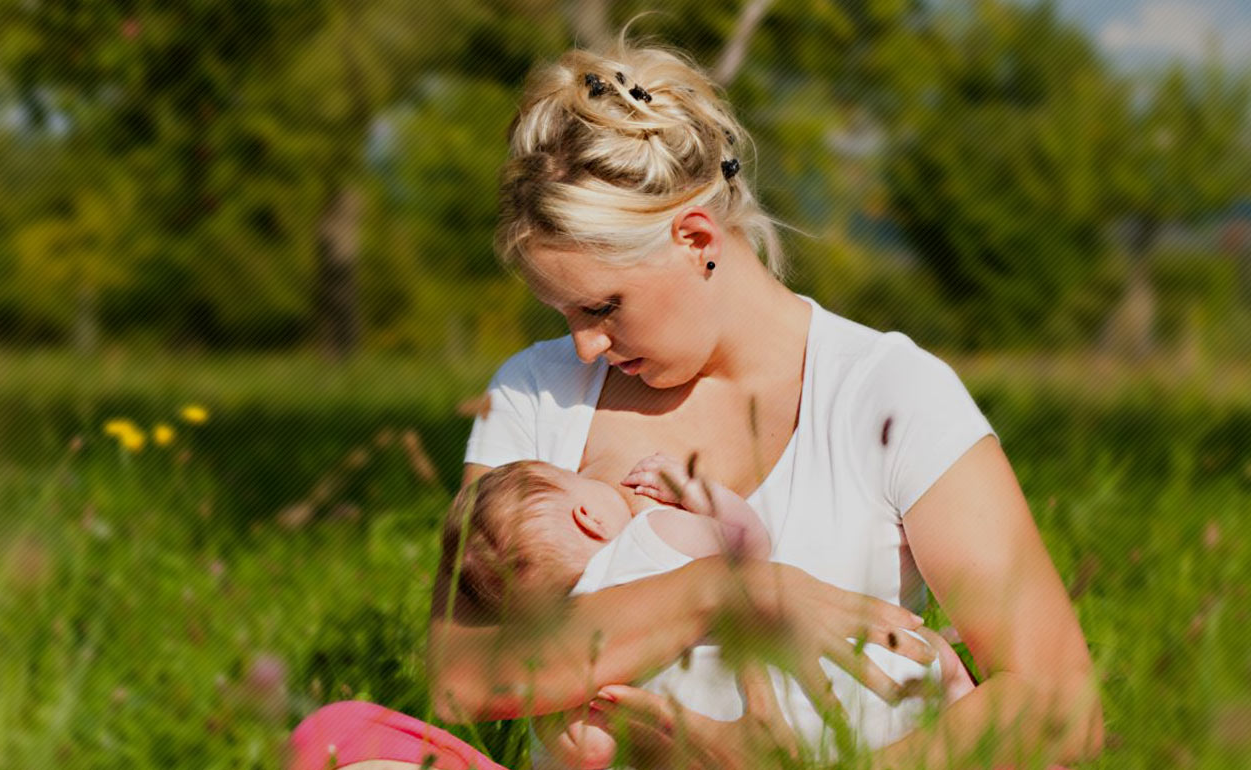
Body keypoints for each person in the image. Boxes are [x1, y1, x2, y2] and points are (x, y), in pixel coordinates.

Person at [292, 37, 1102, 770]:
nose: (582, 346)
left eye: (603, 307)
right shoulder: (536, 393)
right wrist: (714, 591)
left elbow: (1058, 700)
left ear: (696, 240)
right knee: (341, 749)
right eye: (564, 314)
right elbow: (466, 678)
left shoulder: (886, 394)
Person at [449, 453, 972, 769]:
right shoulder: (651, 535)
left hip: (718, 738)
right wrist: (697, 495)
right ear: (587, 515)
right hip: (823, 695)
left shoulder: (564, 657)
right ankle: (965, 692)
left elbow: (589, 751)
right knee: (936, 657)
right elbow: (751, 547)